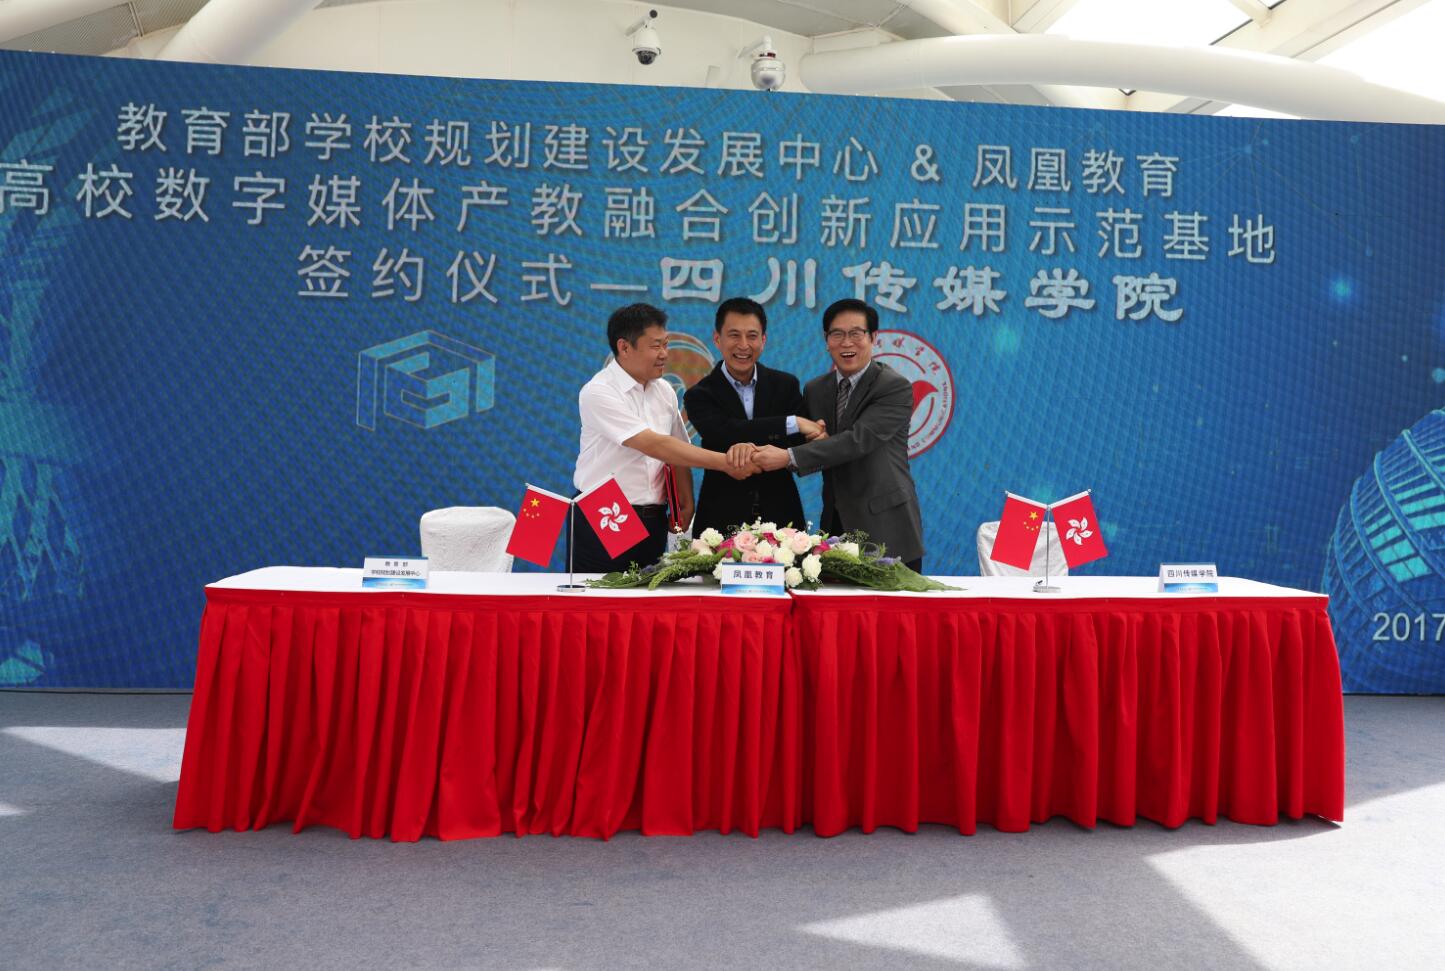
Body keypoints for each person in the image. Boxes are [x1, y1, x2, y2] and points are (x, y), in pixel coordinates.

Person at [572, 303, 756, 573]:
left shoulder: (664, 390)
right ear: (624, 347)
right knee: (603, 594)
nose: (664, 354)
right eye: (656, 346)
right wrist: (726, 463)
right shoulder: (599, 392)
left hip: (654, 517)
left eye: (666, 344)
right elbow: (655, 445)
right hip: (606, 511)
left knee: (650, 594)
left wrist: (685, 501)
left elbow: (677, 448)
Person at [744, 298, 925, 572]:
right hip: (836, 524)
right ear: (826, 340)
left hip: (886, 526)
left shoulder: (893, 387)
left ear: (873, 337)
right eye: (837, 334)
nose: (846, 342)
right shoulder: (816, 389)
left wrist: (787, 456)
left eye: (856, 333)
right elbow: (806, 437)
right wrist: (750, 449)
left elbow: (857, 441)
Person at [683, 297, 825, 536]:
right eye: (734, 335)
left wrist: (815, 435)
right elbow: (723, 433)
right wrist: (793, 423)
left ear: (763, 340)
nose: (743, 345)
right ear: (717, 339)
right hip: (720, 518)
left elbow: (799, 442)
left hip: (782, 516)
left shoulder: (785, 385)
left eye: (752, 336)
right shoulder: (699, 395)